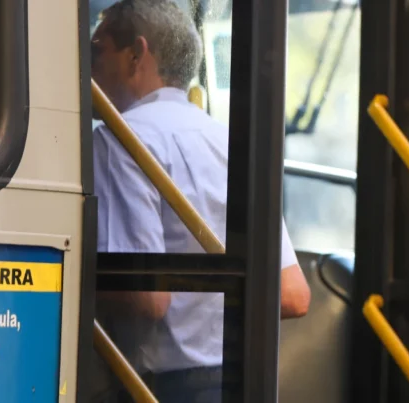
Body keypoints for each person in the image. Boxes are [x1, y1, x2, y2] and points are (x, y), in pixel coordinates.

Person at [90, 0, 311, 401]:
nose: (86, 68)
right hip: (240, 382)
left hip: (160, 388)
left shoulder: (119, 139)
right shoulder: (230, 142)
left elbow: (147, 298)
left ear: (136, 54)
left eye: (97, 50)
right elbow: (291, 294)